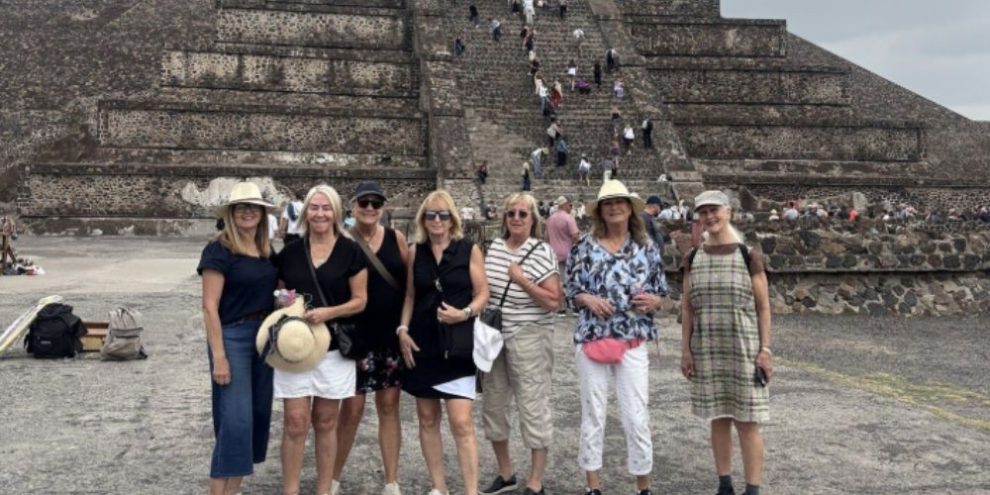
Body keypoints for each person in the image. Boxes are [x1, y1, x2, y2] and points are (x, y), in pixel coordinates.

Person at [564, 180, 668, 495]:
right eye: (607, 203)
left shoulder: (646, 247)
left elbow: (661, 290)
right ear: (600, 211)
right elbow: (569, 291)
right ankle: (593, 486)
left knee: (636, 414)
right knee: (593, 413)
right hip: (593, 334)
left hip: (632, 336)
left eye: (619, 202)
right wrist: (588, 300)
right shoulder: (583, 246)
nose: (614, 207)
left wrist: (654, 301)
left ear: (629, 207)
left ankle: (643, 486)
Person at [273, 184, 369, 495]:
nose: (320, 213)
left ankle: (324, 489)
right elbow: (278, 292)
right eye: (314, 208)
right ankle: (291, 490)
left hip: (332, 348)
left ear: (337, 213)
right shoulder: (289, 251)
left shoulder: (351, 251)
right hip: (296, 348)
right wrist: (284, 301)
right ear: (305, 213)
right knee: (295, 422)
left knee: (327, 422)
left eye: (326, 208)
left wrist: (328, 312)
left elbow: (360, 300)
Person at [398, 190, 490, 495]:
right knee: (427, 419)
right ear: (423, 219)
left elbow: (482, 294)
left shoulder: (468, 249)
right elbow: (411, 295)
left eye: (443, 215)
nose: (437, 220)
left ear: (452, 219)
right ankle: (439, 487)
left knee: (461, 421)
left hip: (457, 344)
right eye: (430, 215)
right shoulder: (415, 252)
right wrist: (402, 329)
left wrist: (464, 313)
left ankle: (471, 491)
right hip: (423, 342)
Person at [680, 190, 772, 495]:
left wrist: (766, 350)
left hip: (744, 348)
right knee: (717, 416)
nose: (709, 217)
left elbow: (763, 306)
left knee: (747, 420)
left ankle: (753, 488)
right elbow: (687, 307)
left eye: (714, 210)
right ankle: (724, 483)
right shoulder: (693, 257)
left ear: (728, 212)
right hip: (707, 347)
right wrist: (686, 350)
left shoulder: (748, 255)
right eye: (703, 212)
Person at [197, 181, 278, 495]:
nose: (248, 212)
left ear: (261, 213)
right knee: (235, 419)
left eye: (253, 207)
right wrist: (219, 355)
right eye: (241, 207)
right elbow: (209, 306)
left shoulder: (267, 252)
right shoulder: (219, 249)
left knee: (257, 415)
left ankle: (234, 490)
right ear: (231, 213)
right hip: (232, 338)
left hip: (263, 340)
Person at [480, 193, 561, 495]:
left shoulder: (542, 251)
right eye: (511, 213)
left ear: (533, 219)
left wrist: (523, 280)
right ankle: (506, 474)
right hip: (496, 337)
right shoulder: (495, 248)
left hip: (530, 334)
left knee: (532, 406)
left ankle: (535, 482)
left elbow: (555, 301)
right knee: (494, 404)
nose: (516, 218)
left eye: (522, 214)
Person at [334, 182, 410, 495]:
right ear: (352, 206)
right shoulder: (342, 241)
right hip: (354, 337)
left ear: (383, 208)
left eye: (376, 203)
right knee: (351, 410)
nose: (369, 208)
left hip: (388, 336)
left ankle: (391, 481)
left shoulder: (397, 238)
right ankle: (333, 476)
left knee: (389, 407)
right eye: (363, 202)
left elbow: (409, 286)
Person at [545, 196, 580, 279]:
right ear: (564, 205)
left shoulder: (550, 219)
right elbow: (575, 236)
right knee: (570, 279)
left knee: (559, 279)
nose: (571, 208)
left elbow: (546, 237)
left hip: (554, 254)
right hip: (568, 254)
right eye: (570, 205)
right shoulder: (569, 218)